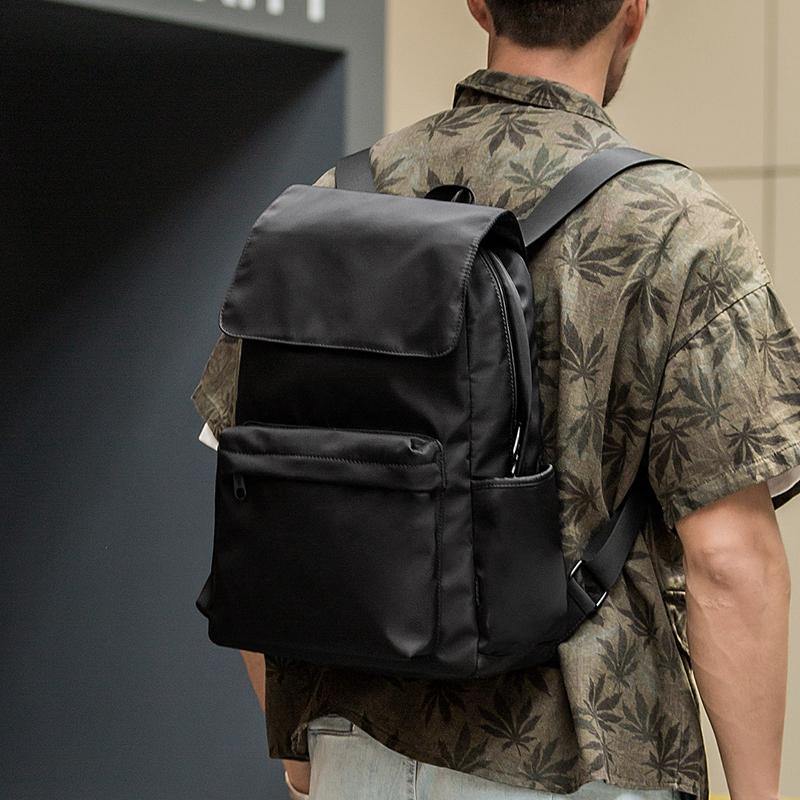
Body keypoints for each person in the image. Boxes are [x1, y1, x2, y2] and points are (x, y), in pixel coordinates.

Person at [191, 1, 799, 798]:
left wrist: (304, 754)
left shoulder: (338, 198)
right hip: (581, 762)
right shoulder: (678, 228)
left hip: (357, 746)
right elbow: (729, 560)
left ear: (478, 3)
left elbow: (260, 496)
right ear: (634, 11)